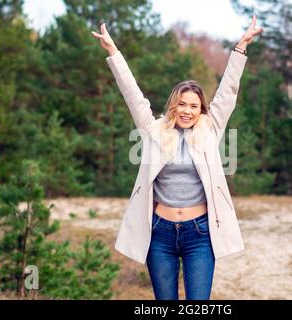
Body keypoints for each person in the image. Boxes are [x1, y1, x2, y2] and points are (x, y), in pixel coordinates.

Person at [92, 15, 263, 300]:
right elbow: (132, 93)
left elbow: (228, 91)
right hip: (160, 234)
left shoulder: (211, 129)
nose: (187, 110)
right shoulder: (152, 129)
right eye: (181, 103)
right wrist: (113, 52)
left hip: (200, 234)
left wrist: (241, 47)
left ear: (201, 110)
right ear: (173, 106)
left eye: (194, 106)